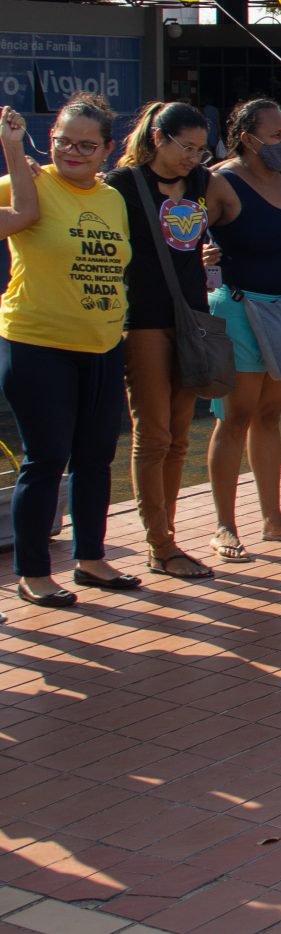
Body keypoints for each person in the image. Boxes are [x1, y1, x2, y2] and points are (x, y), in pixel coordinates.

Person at [1, 98, 132, 610]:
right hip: (37, 343)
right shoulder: (27, 182)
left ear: (107, 150)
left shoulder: (111, 198)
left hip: (101, 342)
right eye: (62, 141)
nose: (72, 152)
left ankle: (91, 558)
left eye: (86, 145)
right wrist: (14, 155)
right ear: (48, 138)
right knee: (46, 459)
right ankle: (33, 572)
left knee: (97, 456)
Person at [205, 98, 281, 560]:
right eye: (274, 136)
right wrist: (202, 254)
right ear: (247, 138)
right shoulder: (221, 181)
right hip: (241, 309)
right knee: (234, 416)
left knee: (271, 414)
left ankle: (273, 518)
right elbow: (185, 230)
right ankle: (223, 525)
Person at [106, 101, 216, 579]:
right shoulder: (123, 186)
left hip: (192, 316)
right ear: (158, 139)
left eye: (201, 148)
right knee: (152, 435)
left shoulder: (202, 183)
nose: (195, 156)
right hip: (146, 319)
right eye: (186, 147)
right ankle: (160, 542)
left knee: (179, 437)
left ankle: (167, 536)